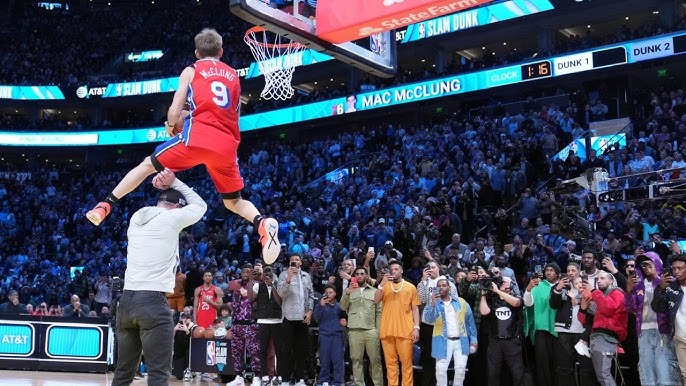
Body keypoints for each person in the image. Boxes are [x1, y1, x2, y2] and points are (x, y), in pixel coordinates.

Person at [85, 28, 280, 264]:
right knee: (233, 202)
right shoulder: (233, 75)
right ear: (221, 51)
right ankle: (262, 223)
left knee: (147, 165)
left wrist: (170, 124)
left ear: (197, 52)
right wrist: (188, 118)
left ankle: (104, 205)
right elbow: (232, 112)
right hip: (227, 143)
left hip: (197, 139)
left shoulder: (192, 70)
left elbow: (175, 108)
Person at [111, 169, 207, 386]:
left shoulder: (137, 216)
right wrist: (175, 182)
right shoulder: (171, 218)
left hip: (126, 302)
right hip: (152, 302)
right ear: (177, 207)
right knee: (158, 374)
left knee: (123, 373)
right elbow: (200, 205)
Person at [626, 251, 681, 386]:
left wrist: (659, 283)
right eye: (643, 264)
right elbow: (630, 308)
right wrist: (628, 290)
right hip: (643, 332)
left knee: (665, 372)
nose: (646, 267)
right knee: (647, 373)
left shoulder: (669, 281)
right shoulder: (638, 285)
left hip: (663, 331)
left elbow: (671, 305)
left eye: (649, 262)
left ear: (656, 263)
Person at [423, 278, 478, 386]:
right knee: (440, 371)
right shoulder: (435, 303)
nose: (441, 288)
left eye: (444, 285)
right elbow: (429, 320)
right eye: (439, 286)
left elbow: (470, 322)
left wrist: (474, 340)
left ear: (449, 287)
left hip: (461, 342)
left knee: (461, 371)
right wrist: (433, 303)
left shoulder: (461, 302)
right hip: (442, 341)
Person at [374, 260, 420, 386]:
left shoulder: (410, 287)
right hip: (387, 330)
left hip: (405, 331)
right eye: (391, 269)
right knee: (390, 365)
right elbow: (376, 300)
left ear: (401, 271)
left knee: (406, 364)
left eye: (396, 269)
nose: (393, 271)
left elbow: (415, 308)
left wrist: (416, 327)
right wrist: (381, 285)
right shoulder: (385, 286)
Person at [579, 271, 628, 386]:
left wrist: (593, 291)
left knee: (604, 375)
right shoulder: (600, 296)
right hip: (596, 337)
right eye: (597, 279)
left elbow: (608, 308)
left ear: (611, 281)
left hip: (606, 337)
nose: (599, 281)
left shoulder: (617, 293)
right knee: (602, 376)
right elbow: (584, 321)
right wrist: (582, 308)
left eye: (602, 278)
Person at [549, 274, 598, 386]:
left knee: (586, 367)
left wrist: (583, 298)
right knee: (564, 367)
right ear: (571, 284)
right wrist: (559, 288)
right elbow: (553, 304)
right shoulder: (564, 291)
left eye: (581, 283)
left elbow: (594, 312)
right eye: (576, 283)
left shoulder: (591, 294)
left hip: (583, 334)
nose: (579, 285)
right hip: (565, 333)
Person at [340, 267, 383, 386]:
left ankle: (378, 384)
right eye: (357, 274)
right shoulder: (349, 291)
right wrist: (347, 292)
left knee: (375, 360)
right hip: (354, 330)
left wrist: (377, 331)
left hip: (371, 330)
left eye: (362, 274)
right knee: (356, 360)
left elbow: (379, 312)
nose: (359, 276)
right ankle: (359, 384)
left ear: (366, 276)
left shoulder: (374, 291)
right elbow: (343, 307)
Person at [417, 261, 458, 386]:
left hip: (444, 323)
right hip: (428, 324)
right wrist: (423, 281)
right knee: (428, 356)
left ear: (438, 268)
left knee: (442, 356)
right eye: (428, 267)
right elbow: (421, 299)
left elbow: (456, 301)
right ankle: (428, 382)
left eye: (433, 267)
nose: (431, 269)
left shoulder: (449, 283)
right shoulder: (424, 283)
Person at [479, 277, 525, 386]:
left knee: (517, 373)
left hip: (512, 340)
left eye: (505, 282)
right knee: (493, 373)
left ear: (511, 284)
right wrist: (483, 294)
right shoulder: (492, 298)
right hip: (495, 341)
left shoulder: (516, 296)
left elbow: (516, 303)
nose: (502, 283)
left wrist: (498, 291)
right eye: (501, 282)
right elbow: (484, 312)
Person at [277, 253, 314, 384]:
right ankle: (285, 379)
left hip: (302, 317)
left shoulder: (306, 276)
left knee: (301, 350)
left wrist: (310, 311)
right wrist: (288, 278)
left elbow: (311, 295)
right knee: (286, 350)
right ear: (289, 263)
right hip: (288, 317)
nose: (294, 261)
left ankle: (300, 379)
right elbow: (281, 293)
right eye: (292, 260)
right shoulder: (283, 275)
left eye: (297, 260)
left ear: (301, 263)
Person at [523, 262, 560, 386]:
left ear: (557, 273)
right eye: (547, 270)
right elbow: (528, 304)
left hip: (560, 330)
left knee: (558, 364)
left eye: (552, 270)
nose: (548, 272)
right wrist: (528, 289)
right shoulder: (538, 286)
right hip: (542, 330)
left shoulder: (564, 286)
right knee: (542, 364)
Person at [652, 253, 686, 385]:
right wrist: (660, 288)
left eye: (680, 268)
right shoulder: (671, 288)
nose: (676, 271)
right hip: (679, 338)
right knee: (684, 374)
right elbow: (658, 307)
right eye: (674, 268)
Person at [248, 265, 282, 383]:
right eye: (265, 272)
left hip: (277, 320)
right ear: (262, 275)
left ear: (273, 274)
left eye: (269, 272)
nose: (267, 274)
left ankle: (279, 375)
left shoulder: (278, 284)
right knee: (263, 349)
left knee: (279, 349)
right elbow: (250, 298)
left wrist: (272, 285)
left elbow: (279, 301)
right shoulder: (257, 285)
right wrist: (250, 280)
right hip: (262, 320)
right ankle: (264, 375)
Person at [227, 263, 261, 381]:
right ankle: (238, 376)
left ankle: (257, 376)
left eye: (248, 272)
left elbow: (246, 294)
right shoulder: (237, 283)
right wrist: (239, 285)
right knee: (236, 351)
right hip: (236, 323)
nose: (246, 274)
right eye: (244, 272)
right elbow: (230, 284)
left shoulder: (256, 284)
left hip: (250, 323)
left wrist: (252, 278)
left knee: (254, 351)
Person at [313, 285, 347, 386]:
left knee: (337, 361)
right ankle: (324, 380)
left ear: (335, 294)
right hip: (324, 335)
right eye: (327, 292)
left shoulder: (340, 306)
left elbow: (345, 319)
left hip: (337, 335)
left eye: (331, 292)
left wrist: (345, 322)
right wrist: (320, 305)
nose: (328, 294)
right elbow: (315, 317)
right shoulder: (321, 305)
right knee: (324, 360)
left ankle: (337, 381)